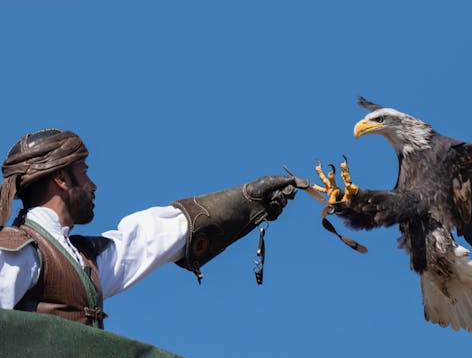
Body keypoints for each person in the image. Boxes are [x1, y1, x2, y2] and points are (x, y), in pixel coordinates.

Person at [0, 128, 298, 329]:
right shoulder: (17, 250)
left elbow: (145, 239)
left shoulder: (80, 258)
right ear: (62, 179)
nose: (93, 186)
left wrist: (245, 200)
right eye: (85, 174)